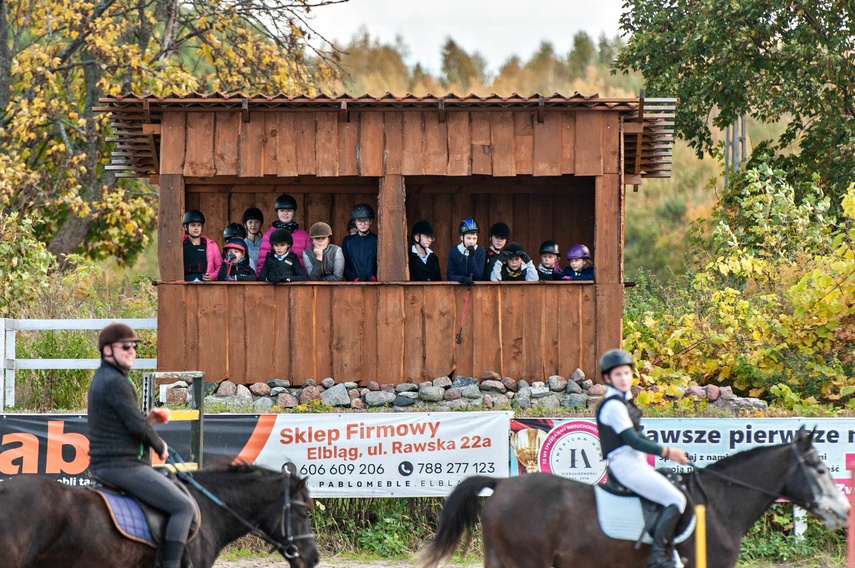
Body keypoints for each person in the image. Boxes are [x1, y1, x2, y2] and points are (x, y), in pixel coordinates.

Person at [87, 323, 196, 568]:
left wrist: (148, 420)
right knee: (183, 506)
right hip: (121, 466)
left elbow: (128, 422)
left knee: (169, 478)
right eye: (125, 346)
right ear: (107, 351)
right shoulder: (115, 382)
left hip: (114, 464)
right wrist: (159, 445)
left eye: (134, 346)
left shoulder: (107, 378)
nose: (132, 351)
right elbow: (136, 426)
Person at [596, 349, 688, 568]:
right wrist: (667, 452)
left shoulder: (623, 402)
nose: (624, 378)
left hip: (633, 462)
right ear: (608, 378)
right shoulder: (614, 406)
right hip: (625, 464)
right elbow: (633, 441)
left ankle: (668, 550)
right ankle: (657, 556)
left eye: (627, 373)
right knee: (677, 500)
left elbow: (639, 436)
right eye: (618, 374)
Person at [256, 194, 311, 275]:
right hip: (275, 282)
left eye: (289, 210)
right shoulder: (269, 235)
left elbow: (310, 262)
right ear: (277, 212)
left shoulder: (304, 235)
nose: (285, 213)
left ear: (294, 212)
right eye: (282, 210)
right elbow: (262, 261)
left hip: (300, 281)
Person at [342, 203, 378, 282]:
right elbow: (344, 265)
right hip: (353, 285)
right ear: (355, 222)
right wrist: (354, 278)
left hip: (373, 285)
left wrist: (374, 277)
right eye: (359, 221)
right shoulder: (348, 242)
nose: (362, 224)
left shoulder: (376, 240)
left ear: (370, 221)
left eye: (365, 220)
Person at [182, 210, 221, 282]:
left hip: (204, 282)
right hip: (185, 282)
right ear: (185, 227)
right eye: (193, 225)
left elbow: (220, 266)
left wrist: (212, 276)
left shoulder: (211, 245)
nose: (196, 228)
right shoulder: (180, 244)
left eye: (199, 225)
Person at [447, 219, 486, 285]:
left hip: (476, 289)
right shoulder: (453, 251)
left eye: (474, 238)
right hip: (456, 290)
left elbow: (478, 276)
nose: (471, 241)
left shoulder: (481, 251)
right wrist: (462, 279)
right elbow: (450, 275)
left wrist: (472, 256)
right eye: (468, 238)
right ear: (462, 238)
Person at [242, 207, 264, 272]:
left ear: (261, 225)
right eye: (250, 222)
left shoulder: (265, 243)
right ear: (245, 225)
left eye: (257, 222)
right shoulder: (242, 244)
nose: (253, 225)